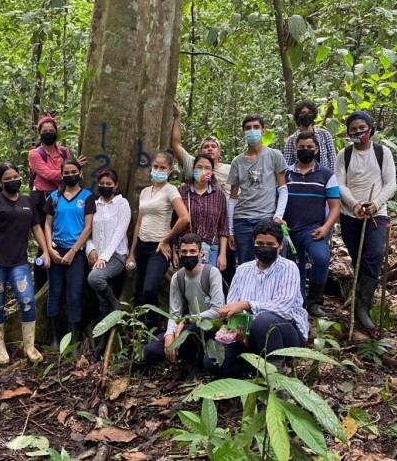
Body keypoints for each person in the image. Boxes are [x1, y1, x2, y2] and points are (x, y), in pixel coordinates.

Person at [204, 221, 308, 378]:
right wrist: (236, 331)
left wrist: (247, 304)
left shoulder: (288, 267)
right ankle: (254, 369)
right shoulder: (242, 270)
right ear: (253, 242)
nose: (264, 247)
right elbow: (232, 307)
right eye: (260, 243)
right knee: (212, 362)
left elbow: (283, 309)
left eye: (270, 244)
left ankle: (277, 380)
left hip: (287, 333)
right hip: (247, 334)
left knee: (264, 320)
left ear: (280, 245)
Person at [0, 161, 49, 364]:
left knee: (27, 300)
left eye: (15, 177)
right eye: (7, 179)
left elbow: (36, 228)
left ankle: (30, 346)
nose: (12, 181)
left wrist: (45, 251)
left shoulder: (27, 201)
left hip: (19, 262)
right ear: (0, 183)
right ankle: (0, 348)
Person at [335, 111, 397, 330]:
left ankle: (362, 307)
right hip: (350, 213)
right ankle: (358, 297)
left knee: (374, 254)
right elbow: (340, 183)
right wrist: (355, 204)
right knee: (357, 257)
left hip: (376, 214)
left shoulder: (382, 152)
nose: (358, 132)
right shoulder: (345, 154)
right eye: (353, 130)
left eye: (362, 128)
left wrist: (375, 204)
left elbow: (390, 183)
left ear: (371, 129)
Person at [126, 151, 190, 330]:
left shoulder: (171, 190)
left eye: (163, 168)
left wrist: (166, 240)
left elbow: (184, 217)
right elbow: (139, 222)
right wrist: (132, 253)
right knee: (140, 289)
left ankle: (152, 326)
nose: (158, 170)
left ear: (170, 171)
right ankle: (139, 328)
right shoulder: (146, 192)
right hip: (142, 246)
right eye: (156, 167)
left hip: (159, 248)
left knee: (150, 288)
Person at [283, 132, 341, 317]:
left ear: (317, 149)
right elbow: (277, 200)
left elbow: (335, 206)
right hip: (289, 232)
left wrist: (326, 227)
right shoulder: (285, 174)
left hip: (313, 230)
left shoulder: (326, 174)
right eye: (301, 147)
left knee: (321, 259)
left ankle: (314, 301)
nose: (305, 151)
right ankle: (298, 304)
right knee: (295, 268)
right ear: (295, 149)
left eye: (309, 147)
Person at [142, 234, 224, 365]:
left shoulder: (211, 273)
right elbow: (174, 313)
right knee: (151, 350)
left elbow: (218, 310)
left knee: (190, 333)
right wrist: (169, 334)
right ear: (179, 253)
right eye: (184, 251)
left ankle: (196, 362)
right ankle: (184, 356)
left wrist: (187, 320)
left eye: (192, 251)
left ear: (201, 253)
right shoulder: (178, 277)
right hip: (188, 326)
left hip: (211, 327)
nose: (188, 255)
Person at [28, 114, 87, 295]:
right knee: (44, 244)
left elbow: (70, 171)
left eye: (51, 131)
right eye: (45, 131)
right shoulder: (35, 154)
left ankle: (62, 281)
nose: (48, 134)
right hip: (42, 199)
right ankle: (42, 288)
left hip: (63, 198)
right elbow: (48, 175)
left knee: (61, 238)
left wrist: (71, 170)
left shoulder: (63, 152)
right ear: (39, 133)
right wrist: (72, 169)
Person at [45, 159, 95, 354]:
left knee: (74, 296)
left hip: (77, 252)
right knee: (54, 295)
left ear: (80, 173)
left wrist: (74, 251)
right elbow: (47, 224)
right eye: (66, 172)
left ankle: (73, 342)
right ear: (62, 174)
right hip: (56, 250)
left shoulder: (87, 197)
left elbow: (88, 226)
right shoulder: (54, 197)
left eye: (73, 171)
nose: (70, 175)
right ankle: (54, 339)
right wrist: (50, 248)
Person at [227, 114, 288, 265]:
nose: (252, 131)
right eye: (248, 128)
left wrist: (278, 216)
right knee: (245, 264)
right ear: (243, 132)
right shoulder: (237, 162)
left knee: (274, 258)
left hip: (266, 217)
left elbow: (283, 189)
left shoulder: (274, 155)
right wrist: (230, 230)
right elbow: (233, 198)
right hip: (242, 219)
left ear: (263, 131)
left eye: (256, 127)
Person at [85, 168, 131, 357]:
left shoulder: (122, 204)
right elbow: (87, 231)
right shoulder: (94, 204)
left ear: (116, 185)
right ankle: (103, 342)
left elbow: (120, 232)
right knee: (100, 301)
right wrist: (91, 251)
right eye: (102, 184)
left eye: (109, 184)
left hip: (116, 256)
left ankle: (116, 307)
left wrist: (104, 256)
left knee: (95, 279)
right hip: (97, 257)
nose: (105, 187)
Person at [171, 154, 228, 270]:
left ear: (212, 171)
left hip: (211, 249)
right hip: (186, 249)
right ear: (193, 170)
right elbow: (173, 224)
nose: (203, 170)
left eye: (207, 168)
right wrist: (174, 251)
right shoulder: (181, 192)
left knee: (206, 284)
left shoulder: (219, 195)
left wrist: (222, 255)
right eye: (199, 167)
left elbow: (223, 227)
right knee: (186, 284)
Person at [170, 101, 231, 195]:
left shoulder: (229, 169)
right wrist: (177, 117)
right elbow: (175, 145)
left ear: (219, 152)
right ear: (200, 152)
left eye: (213, 146)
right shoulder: (193, 165)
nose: (210, 149)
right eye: (206, 147)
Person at [283, 100, 337, 171]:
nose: (306, 115)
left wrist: (331, 177)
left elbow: (333, 158)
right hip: (301, 179)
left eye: (309, 113)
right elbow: (287, 164)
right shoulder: (291, 140)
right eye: (303, 113)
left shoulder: (324, 135)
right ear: (298, 116)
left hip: (323, 178)